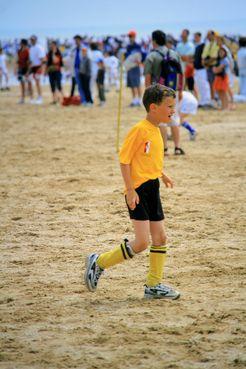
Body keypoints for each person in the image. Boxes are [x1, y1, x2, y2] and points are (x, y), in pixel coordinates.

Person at [84, 84, 180, 300]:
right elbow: (124, 160)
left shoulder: (156, 130)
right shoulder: (139, 129)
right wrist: (129, 189)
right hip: (137, 191)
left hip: (152, 187)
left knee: (160, 238)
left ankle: (153, 285)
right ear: (153, 107)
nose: (173, 110)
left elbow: (147, 160)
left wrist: (162, 174)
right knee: (141, 242)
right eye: (169, 106)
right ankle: (99, 262)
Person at [144, 29, 185, 155]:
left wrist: (147, 93)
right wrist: (181, 89)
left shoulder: (152, 56)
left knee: (161, 121)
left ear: (154, 41)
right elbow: (181, 73)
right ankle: (177, 148)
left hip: (158, 93)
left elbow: (148, 76)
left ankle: (164, 148)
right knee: (174, 119)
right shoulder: (174, 53)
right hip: (173, 91)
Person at [193, 32, 211, 107]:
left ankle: (206, 101)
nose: (195, 38)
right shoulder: (196, 46)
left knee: (204, 85)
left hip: (202, 69)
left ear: (200, 37)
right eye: (194, 36)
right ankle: (202, 101)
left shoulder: (204, 45)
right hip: (197, 69)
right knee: (199, 85)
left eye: (196, 36)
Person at [176, 29, 196, 95]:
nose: (182, 35)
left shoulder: (191, 45)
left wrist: (183, 57)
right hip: (181, 66)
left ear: (187, 34)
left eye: (184, 33)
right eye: (182, 33)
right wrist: (183, 57)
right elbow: (177, 55)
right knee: (181, 83)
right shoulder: (179, 45)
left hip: (188, 66)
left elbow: (189, 56)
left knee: (190, 83)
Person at [125, 30, 142, 107]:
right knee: (132, 84)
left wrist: (140, 62)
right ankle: (134, 100)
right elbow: (127, 57)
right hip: (129, 67)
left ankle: (139, 100)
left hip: (135, 67)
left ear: (134, 36)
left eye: (131, 36)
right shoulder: (128, 47)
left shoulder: (137, 46)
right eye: (129, 36)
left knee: (137, 84)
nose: (130, 38)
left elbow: (141, 56)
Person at [202, 30, 219, 103]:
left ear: (213, 35)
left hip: (214, 66)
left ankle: (217, 99)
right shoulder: (208, 44)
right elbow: (203, 55)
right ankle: (212, 99)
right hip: (208, 67)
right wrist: (204, 62)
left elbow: (215, 57)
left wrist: (206, 62)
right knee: (210, 84)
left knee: (216, 83)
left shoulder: (217, 44)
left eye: (209, 35)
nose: (207, 37)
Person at [28, 35, 46, 104]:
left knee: (37, 82)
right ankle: (31, 98)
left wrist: (41, 68)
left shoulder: (39, 48)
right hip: (32, 67)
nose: (32, 41)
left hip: (38, 66)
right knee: (30, 82)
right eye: (31, 40)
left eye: (33, 39)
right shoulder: (31, 48)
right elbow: (31, 59)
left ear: (36, 40)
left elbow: (42, 59)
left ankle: (40, 97)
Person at [15, 39, 31, 104]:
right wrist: (15, 69)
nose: (20, 44)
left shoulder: (27, 51)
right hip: (20, 69)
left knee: (29, 83)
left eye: (21, 43)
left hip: (26, 69)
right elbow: (18, 60)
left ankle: (31, 98)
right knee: (22, 83)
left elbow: (29, 61)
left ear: (23, 44)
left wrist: (28, 71)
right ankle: (22, 98)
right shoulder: (19, 51)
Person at [72, 35, 85, 104]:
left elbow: (86, 58)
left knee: (84, 85)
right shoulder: (74, 49)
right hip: (76, 69)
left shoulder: (84, 48)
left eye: (77, 40)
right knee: (79, 85)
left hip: (82, 69)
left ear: (80, 40)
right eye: (75, 40)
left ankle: (85, 99)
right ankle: (82, 99)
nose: (76, 42)